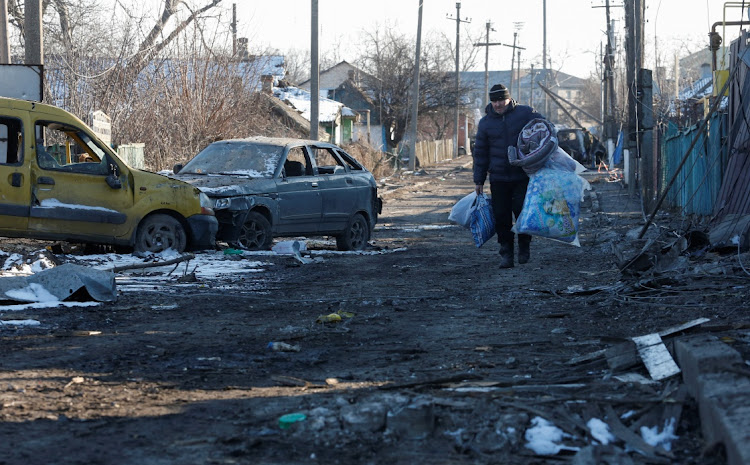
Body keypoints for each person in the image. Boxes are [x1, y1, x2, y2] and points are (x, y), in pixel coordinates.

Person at [472, 83, 545, 268]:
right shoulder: (486, 123)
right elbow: (480, 152)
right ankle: (506, 253)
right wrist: (478, 179)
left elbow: (545, 130)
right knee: (501, 216)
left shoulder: (526, 113)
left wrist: (542, 158)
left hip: (523, 175)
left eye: (501, 100)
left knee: (523, 212)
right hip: (498, 178)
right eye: (494, 101)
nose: (498, 104)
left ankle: (524, 245)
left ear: (509, 98)